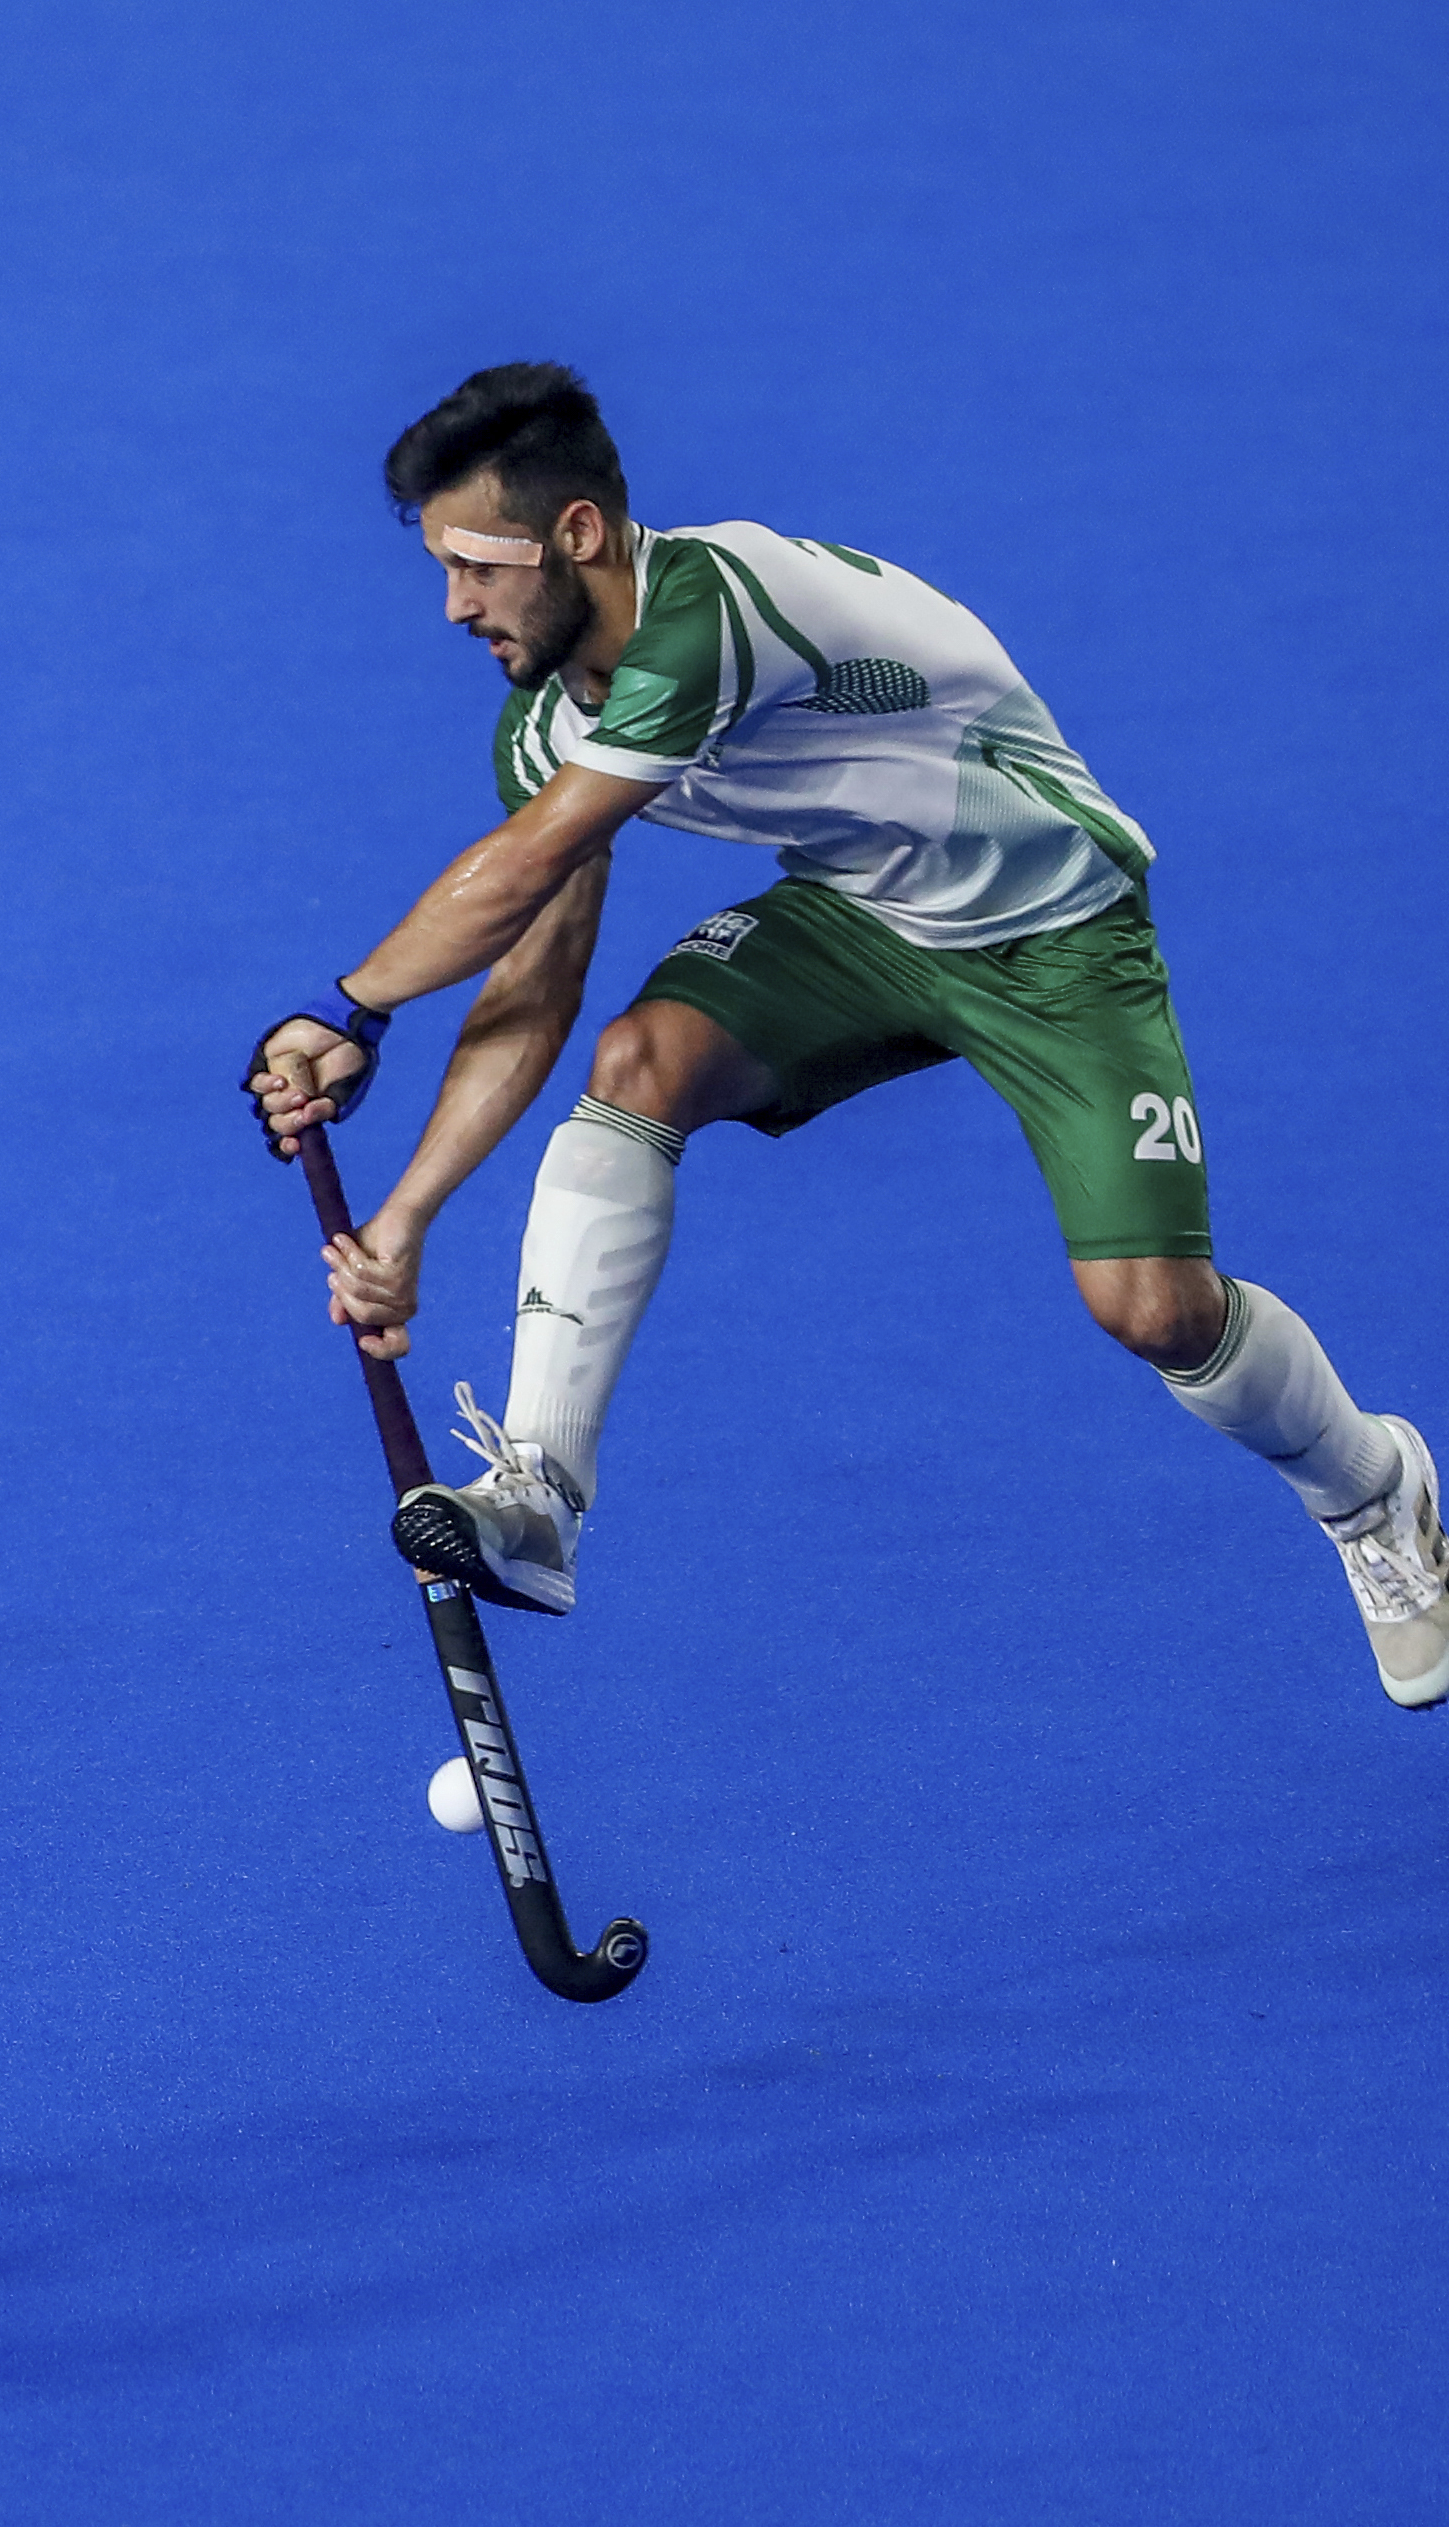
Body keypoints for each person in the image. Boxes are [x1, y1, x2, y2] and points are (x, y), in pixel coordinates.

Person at [245, 363, 1445, 1702]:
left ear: (575, 533)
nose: (454, 605)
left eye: (475, 567)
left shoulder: (709, 613)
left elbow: (518, 871)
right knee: (638, 1058)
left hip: (1051, 930)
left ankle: (1368, 1488)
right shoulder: (548, 730)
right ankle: (536, 1497)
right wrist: (405, 1215)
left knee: (1151, 1309)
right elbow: (530, 980)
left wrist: (348, 1005)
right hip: (858, 916)